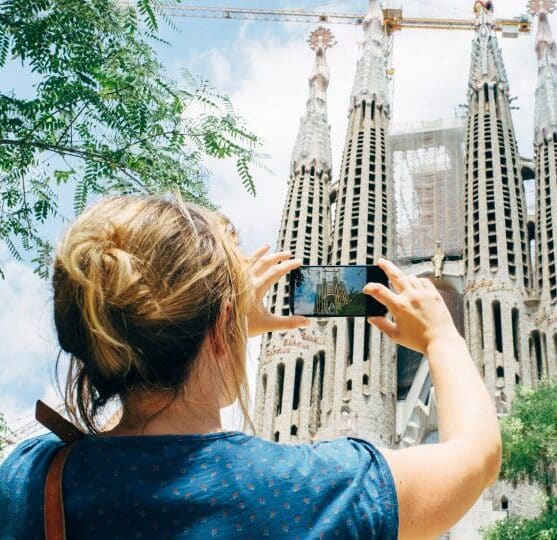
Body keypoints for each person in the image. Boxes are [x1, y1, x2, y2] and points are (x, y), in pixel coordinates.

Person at [0, 194, 502, 539]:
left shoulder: (30, 476)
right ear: (222, 326)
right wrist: (442, 335)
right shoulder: (306, 490)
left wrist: (219, 330)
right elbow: (475, 457)